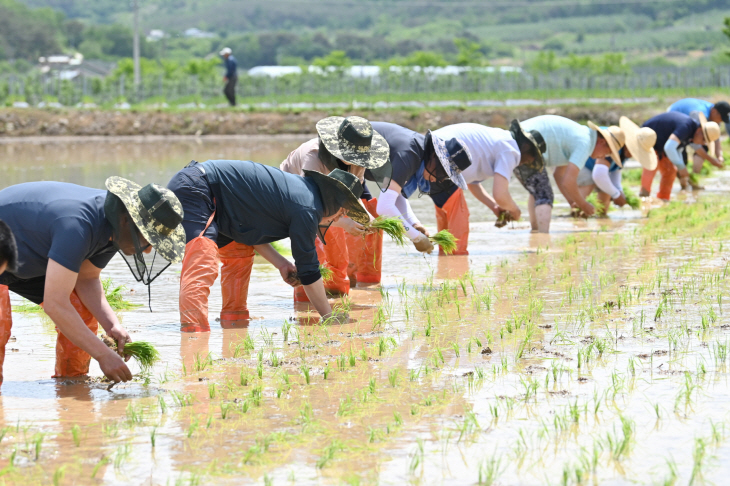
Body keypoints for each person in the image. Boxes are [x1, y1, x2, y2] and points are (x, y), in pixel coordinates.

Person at [0, 178, 186, 384]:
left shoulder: (116, 227)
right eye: (148, 239)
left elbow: (87, 278)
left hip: (30, 254)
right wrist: (103, 355)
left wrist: (112, 324)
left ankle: (71, 386)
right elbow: (55, 304)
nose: (149, 249)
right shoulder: (78, 226)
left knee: (79, 308)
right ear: (128, 220)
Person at [167, 160, 369, 332]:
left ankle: (234, 320)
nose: (341, 217)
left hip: (216, 200)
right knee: (203, 264)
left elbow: (249, 232)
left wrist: (281, 263)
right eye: (343, 212)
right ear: (334, 203)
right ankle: (194, 336)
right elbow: (308, 268)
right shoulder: (307, 207)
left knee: (240, 251)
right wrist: (328, 316)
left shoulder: (305, 195)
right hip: (198, 188)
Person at [281, 116, 392, 294]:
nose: (355, 160)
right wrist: (344, 223)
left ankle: (335, 294)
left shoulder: (360, 158)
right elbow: (307, 206)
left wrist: (366, 218)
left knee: (338, 257)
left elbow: (352, 193)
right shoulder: (314, 157)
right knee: (312, 253)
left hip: (329, 198)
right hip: (296, 198)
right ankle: (305, 304)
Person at [425, 120, 546, 254]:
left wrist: (494, 207)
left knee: (446, 213)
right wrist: (515, 211)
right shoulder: (510, 149)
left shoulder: (496, 140)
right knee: (459, 218)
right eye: (532, 156)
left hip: (430, 156)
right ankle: (457, 264)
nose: (529, 161)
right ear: (526, 146)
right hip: (443, 158)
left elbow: (471, 182)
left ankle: (444, 262)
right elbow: (500, 194)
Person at [369, 121, 472, 254]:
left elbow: (396, 196)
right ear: (435, 156)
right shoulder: (408, 154)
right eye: (442, 172)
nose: (438, 180)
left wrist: (414, 224)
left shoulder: (418, 154)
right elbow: (384, 207)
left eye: (446, 177)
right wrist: (416, 238)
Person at [516, 115, 625, 233]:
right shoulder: (585, 143)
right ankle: (543, 241)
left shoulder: (580, 137)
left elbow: (559, 175)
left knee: (538, 191)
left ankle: (535, 235)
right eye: (608, 153)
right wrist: (583, 204)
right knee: (544, 196)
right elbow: (569, 181)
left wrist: (571, 201)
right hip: (526, 144)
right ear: (602, 142)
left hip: (518, 141)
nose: (604, 157)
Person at [576, 118, 658, 215]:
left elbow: (615, 170)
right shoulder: (615, 143)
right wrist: (616, 195)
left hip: (594, 168)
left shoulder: (625, 152)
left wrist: (618, 191)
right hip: (581, 162)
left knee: (603, 206)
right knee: (587, 185)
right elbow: (598, 174)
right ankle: (576, 213)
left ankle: (599, 222)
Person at [639, 112, 720, 201]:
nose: (702, 143)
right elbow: (669, 147)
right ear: (699, 131)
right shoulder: (686, 127)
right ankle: (644, 196)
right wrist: (681, 167)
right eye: (704, 140)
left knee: (670, 170)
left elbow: (678, 150)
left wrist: (682, 167)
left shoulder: (692, 133)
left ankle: (663, 199)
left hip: (661, 143)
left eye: (705, 143)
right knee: (652, 166)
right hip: (647, 138)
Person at [667, 98, 728, 188]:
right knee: (681, 153)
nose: (720, 122)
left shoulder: (714, 117)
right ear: (714, 112)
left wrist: (719, 156)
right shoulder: (698, 115)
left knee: (704, 147)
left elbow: (715, 138)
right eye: (721, 119)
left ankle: (693, 179)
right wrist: (711, 160)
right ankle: (683, 184)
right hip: (673, 117)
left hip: (689, 126)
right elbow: (695, 144)